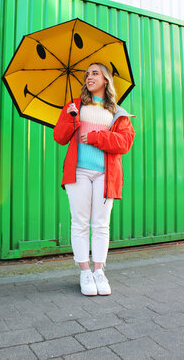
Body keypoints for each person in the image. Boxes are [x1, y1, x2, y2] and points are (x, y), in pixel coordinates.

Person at [53, 63, 135, 296]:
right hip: (78, 172)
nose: (89, 77)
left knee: (100, 224)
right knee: (79, 222)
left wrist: (97, 137)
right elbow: (59, 137)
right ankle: (85, 272)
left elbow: (125, 143)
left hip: (105, 175)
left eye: (95, 73)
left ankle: (99, 271)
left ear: (106, 80)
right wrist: (70, 118)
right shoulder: (75, 106)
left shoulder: (118, 112)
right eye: (87, 74)